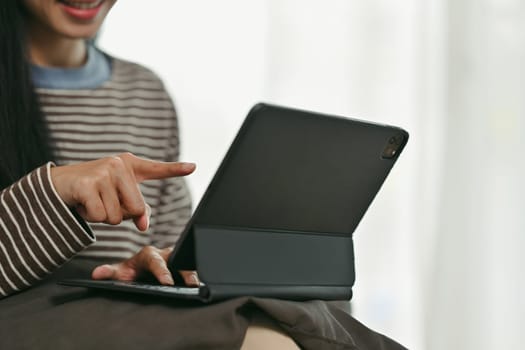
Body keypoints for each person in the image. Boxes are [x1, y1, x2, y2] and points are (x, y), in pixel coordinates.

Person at [0, 1, 407, 349]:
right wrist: (52, 191)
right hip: (35, 321)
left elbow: (170, 244)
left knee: (300, 316)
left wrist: (166, 264)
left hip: (129, 316)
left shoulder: (144, 92)